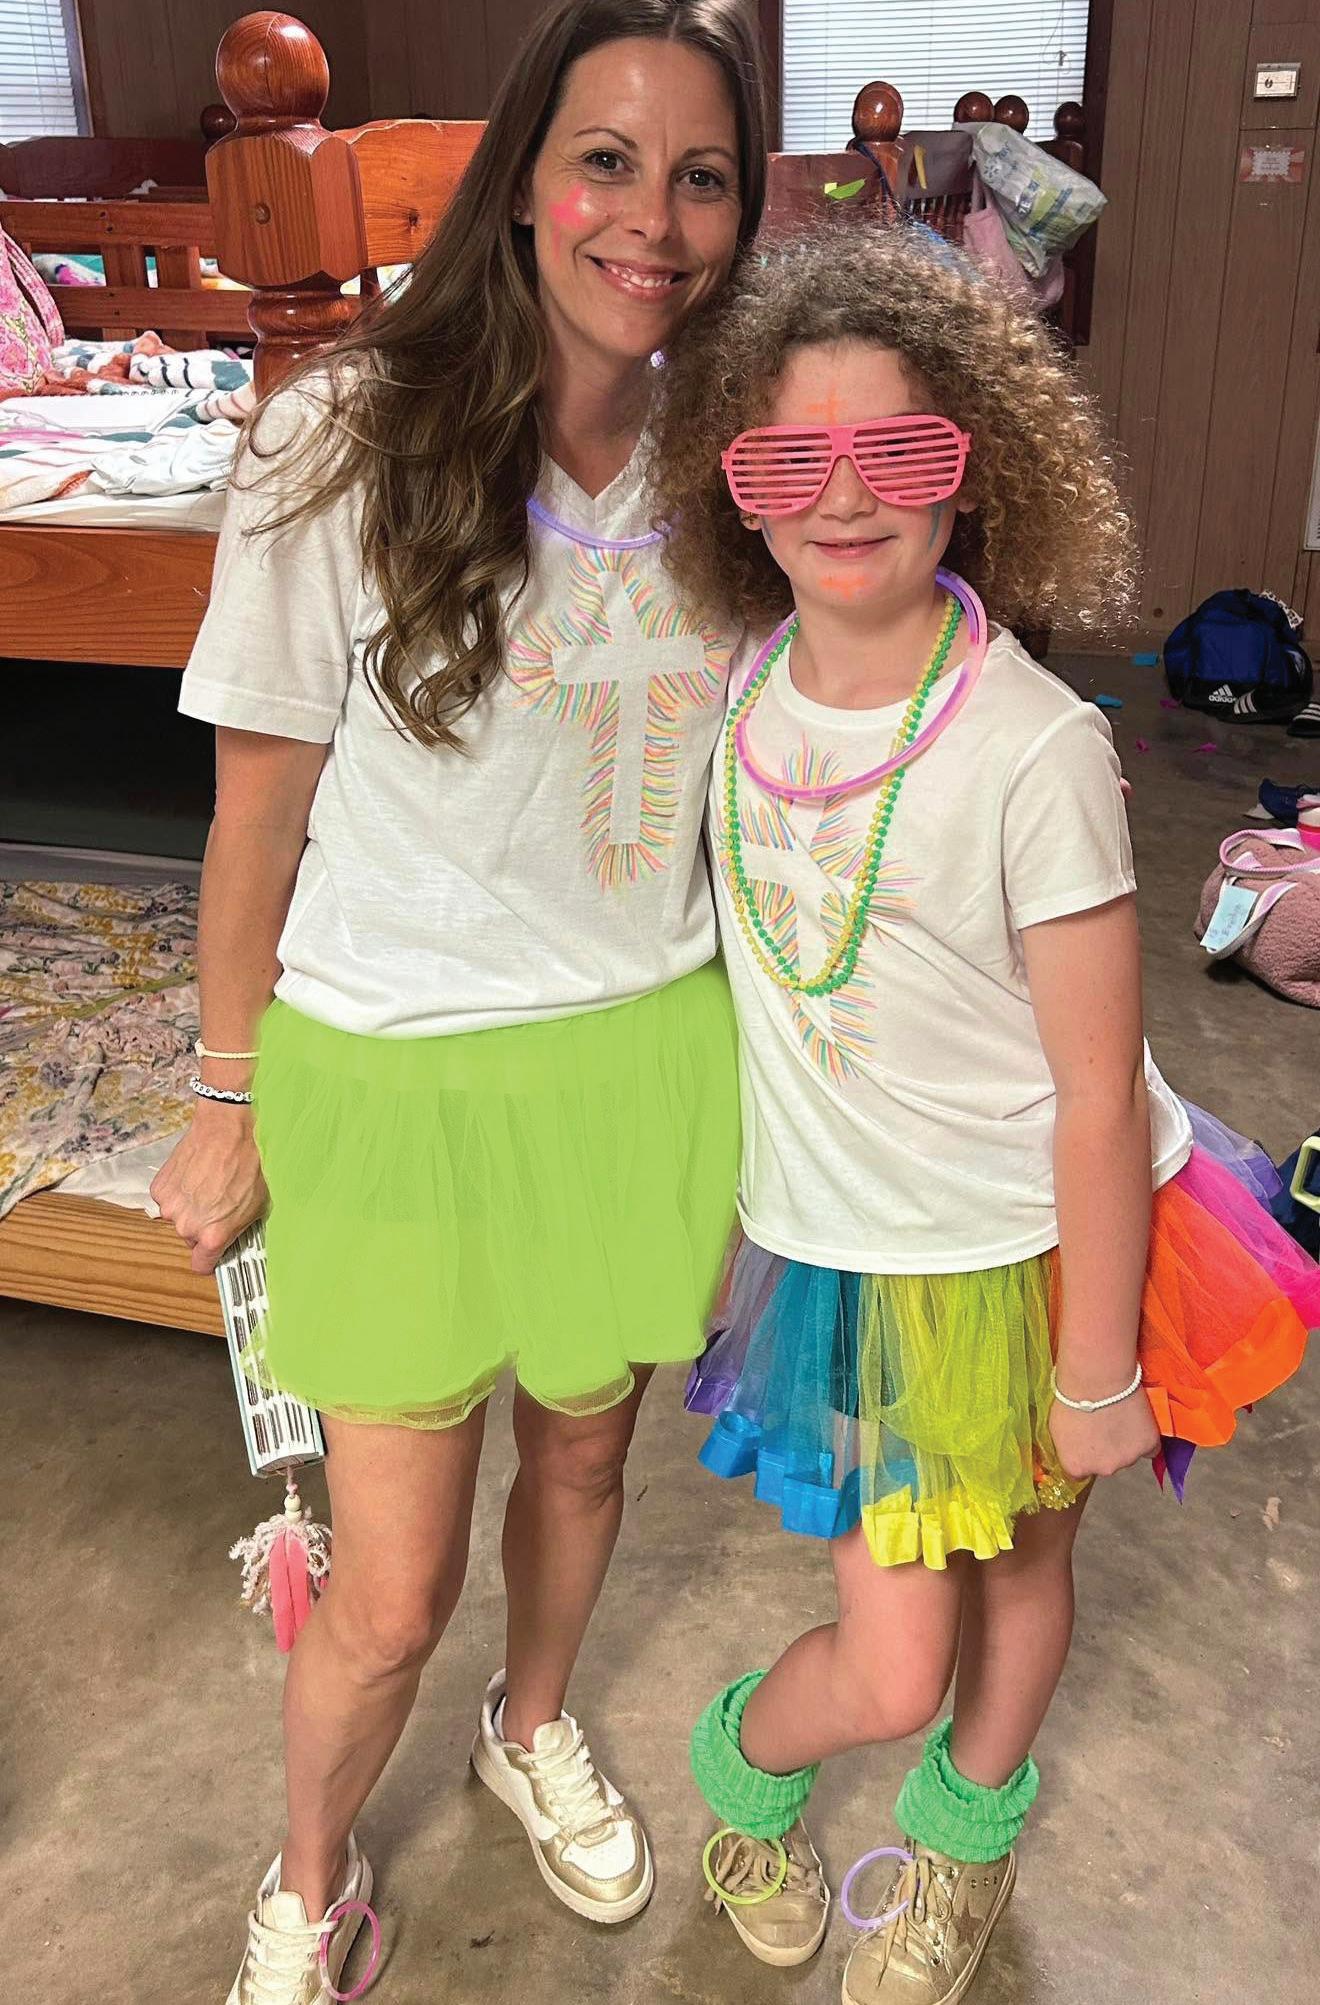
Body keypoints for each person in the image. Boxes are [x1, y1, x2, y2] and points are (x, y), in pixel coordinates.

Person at [150, 4, 766, 1997]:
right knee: (389, 1590)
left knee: (584, 1460)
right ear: (521, 182)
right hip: (396, 1076)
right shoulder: (342, 436)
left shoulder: (742, 456)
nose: (651, 218)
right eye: (607, 161)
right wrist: (228, 1087)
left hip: (643, 1057)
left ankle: (534, 1722)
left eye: (700, 177)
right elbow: (256, 811)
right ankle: (311, 1875)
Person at [649, 226, 1320, 2003]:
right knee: (889, 1662)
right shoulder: (732, 690)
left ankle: (962, 1843)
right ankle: (745, 1769)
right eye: (789, 458)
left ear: (980, 465)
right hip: (852, 1266)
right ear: (734, 486)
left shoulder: (1032, 745)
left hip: (1046, 1251)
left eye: (900, 449)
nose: (843, 496)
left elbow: (1096, 1087)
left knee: (1024, 1578)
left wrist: (1096, 1362)